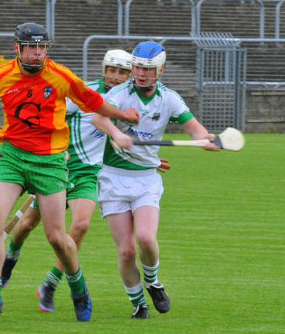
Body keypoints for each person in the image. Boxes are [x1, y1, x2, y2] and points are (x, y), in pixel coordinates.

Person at [0, 22, 139, 322]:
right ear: (17, 48)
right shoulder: (1, 75)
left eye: (41, 47)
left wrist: (123, 115)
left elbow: (92, 101)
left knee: (57, 237)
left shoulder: (60, 76)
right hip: (12, 158)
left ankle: (78, 287)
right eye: (30, 47)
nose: (36, 54)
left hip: (50, 162)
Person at [0, 49, 171, 313]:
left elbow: (128, 137)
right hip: (60, 169)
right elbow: (50, 118)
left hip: (90, 175)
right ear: (103, 69)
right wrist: (56, 149)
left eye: (122, 72)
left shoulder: (129, 99)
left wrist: (149, 160)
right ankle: (10, 259)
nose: (115, 77)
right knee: (27, 225)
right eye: (111, 70)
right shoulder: (83, 93)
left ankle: (50, 284)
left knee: (80, 226)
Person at [94, 40, 220, 320]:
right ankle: (139, 304)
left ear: (160, 70)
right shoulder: (119, 93)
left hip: (146, 180)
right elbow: (99, 119)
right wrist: (116, 134)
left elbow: (194, 128)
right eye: (138, 67)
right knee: (126, 251)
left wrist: (207, 140)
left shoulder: (169, 98)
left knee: (146, 239)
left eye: (148, 69)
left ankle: (152, 281)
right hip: (113, 179)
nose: (141, 73)